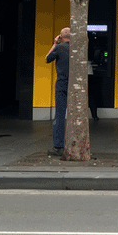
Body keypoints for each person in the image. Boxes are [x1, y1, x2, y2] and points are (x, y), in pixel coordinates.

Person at [45, 27, 71, 157]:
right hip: (75, 85)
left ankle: (59, 146)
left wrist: (55, 43)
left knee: (60, 115)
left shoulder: (59, 48)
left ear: (60, 37)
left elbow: (47, 58)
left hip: (62, 84)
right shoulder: (77, 49)